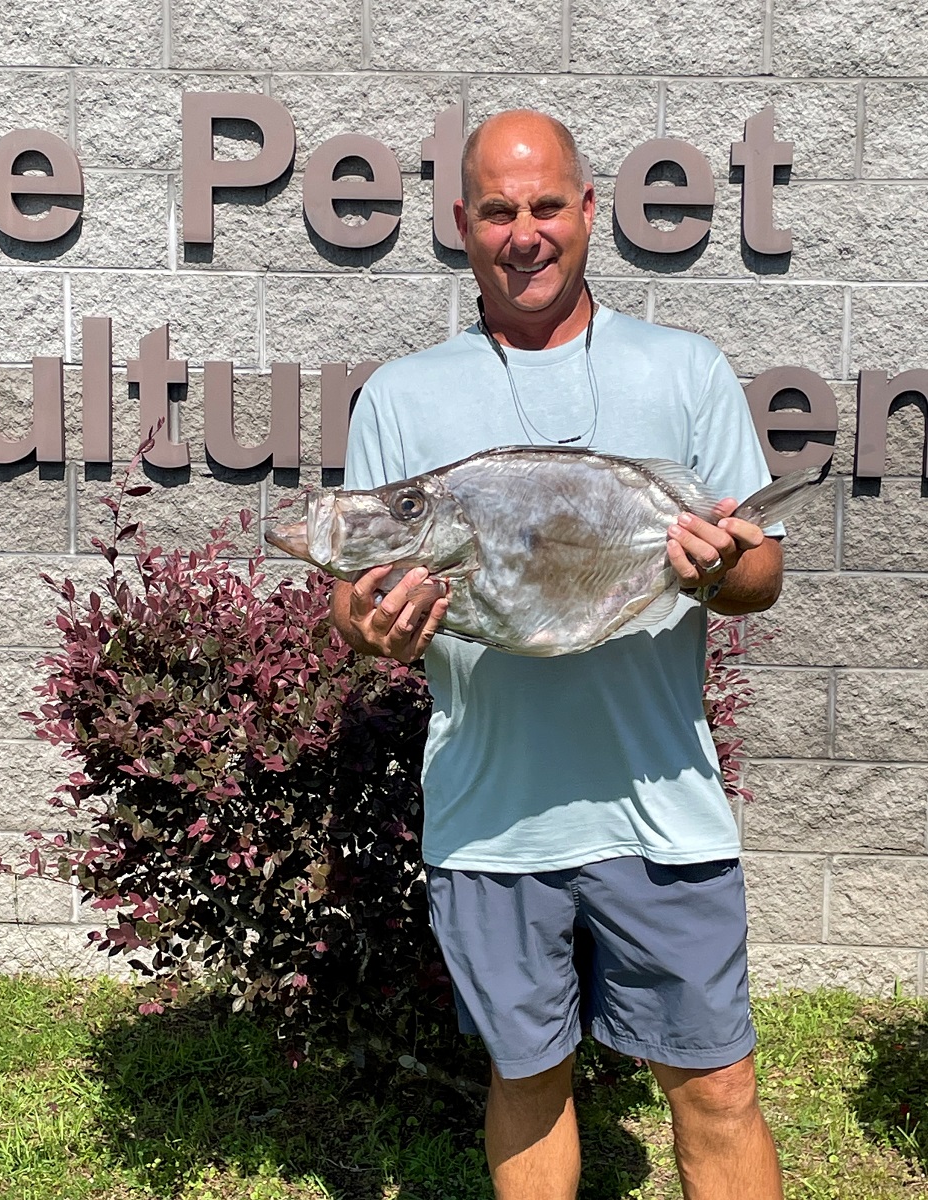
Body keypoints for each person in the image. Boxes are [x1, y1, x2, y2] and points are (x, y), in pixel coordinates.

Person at [331, 109, 785, 1200]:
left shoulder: (684, 370)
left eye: (545, 206)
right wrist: (367, 627)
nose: (523, 233)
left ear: (588, 211)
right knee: (527, 1079)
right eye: (497, 210)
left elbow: (760, 574)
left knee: (717, 1087)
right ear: (461, 224)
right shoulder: (402, 394)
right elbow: (356, 593)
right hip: (491, 817)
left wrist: (710, 570)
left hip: (663, 807)